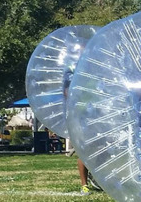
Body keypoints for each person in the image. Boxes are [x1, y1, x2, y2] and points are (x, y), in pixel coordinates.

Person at [63, 65, 90, 196]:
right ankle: (84, 185)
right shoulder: (70, 71)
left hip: (94, 114)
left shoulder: (91, 70)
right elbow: (66, 93)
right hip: (80, 117)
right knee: (84, 152)